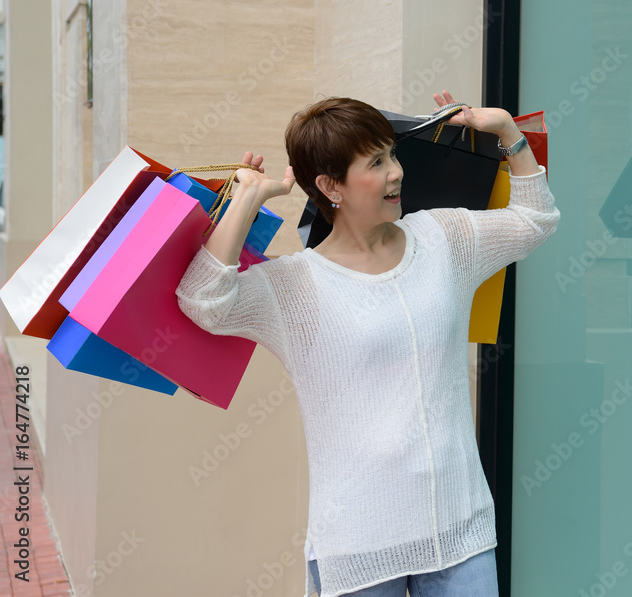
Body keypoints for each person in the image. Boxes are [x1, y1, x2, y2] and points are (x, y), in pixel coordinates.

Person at [175, 90, 559, 597]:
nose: (397, 172)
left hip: (460, 530)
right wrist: (246, 199)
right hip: (360, 545)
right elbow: (204, 299)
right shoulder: (296, 286)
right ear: (330, 185)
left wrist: (508, 133)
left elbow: (536, 220)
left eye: (392, 154)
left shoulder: (444, 238)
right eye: (376, 162)